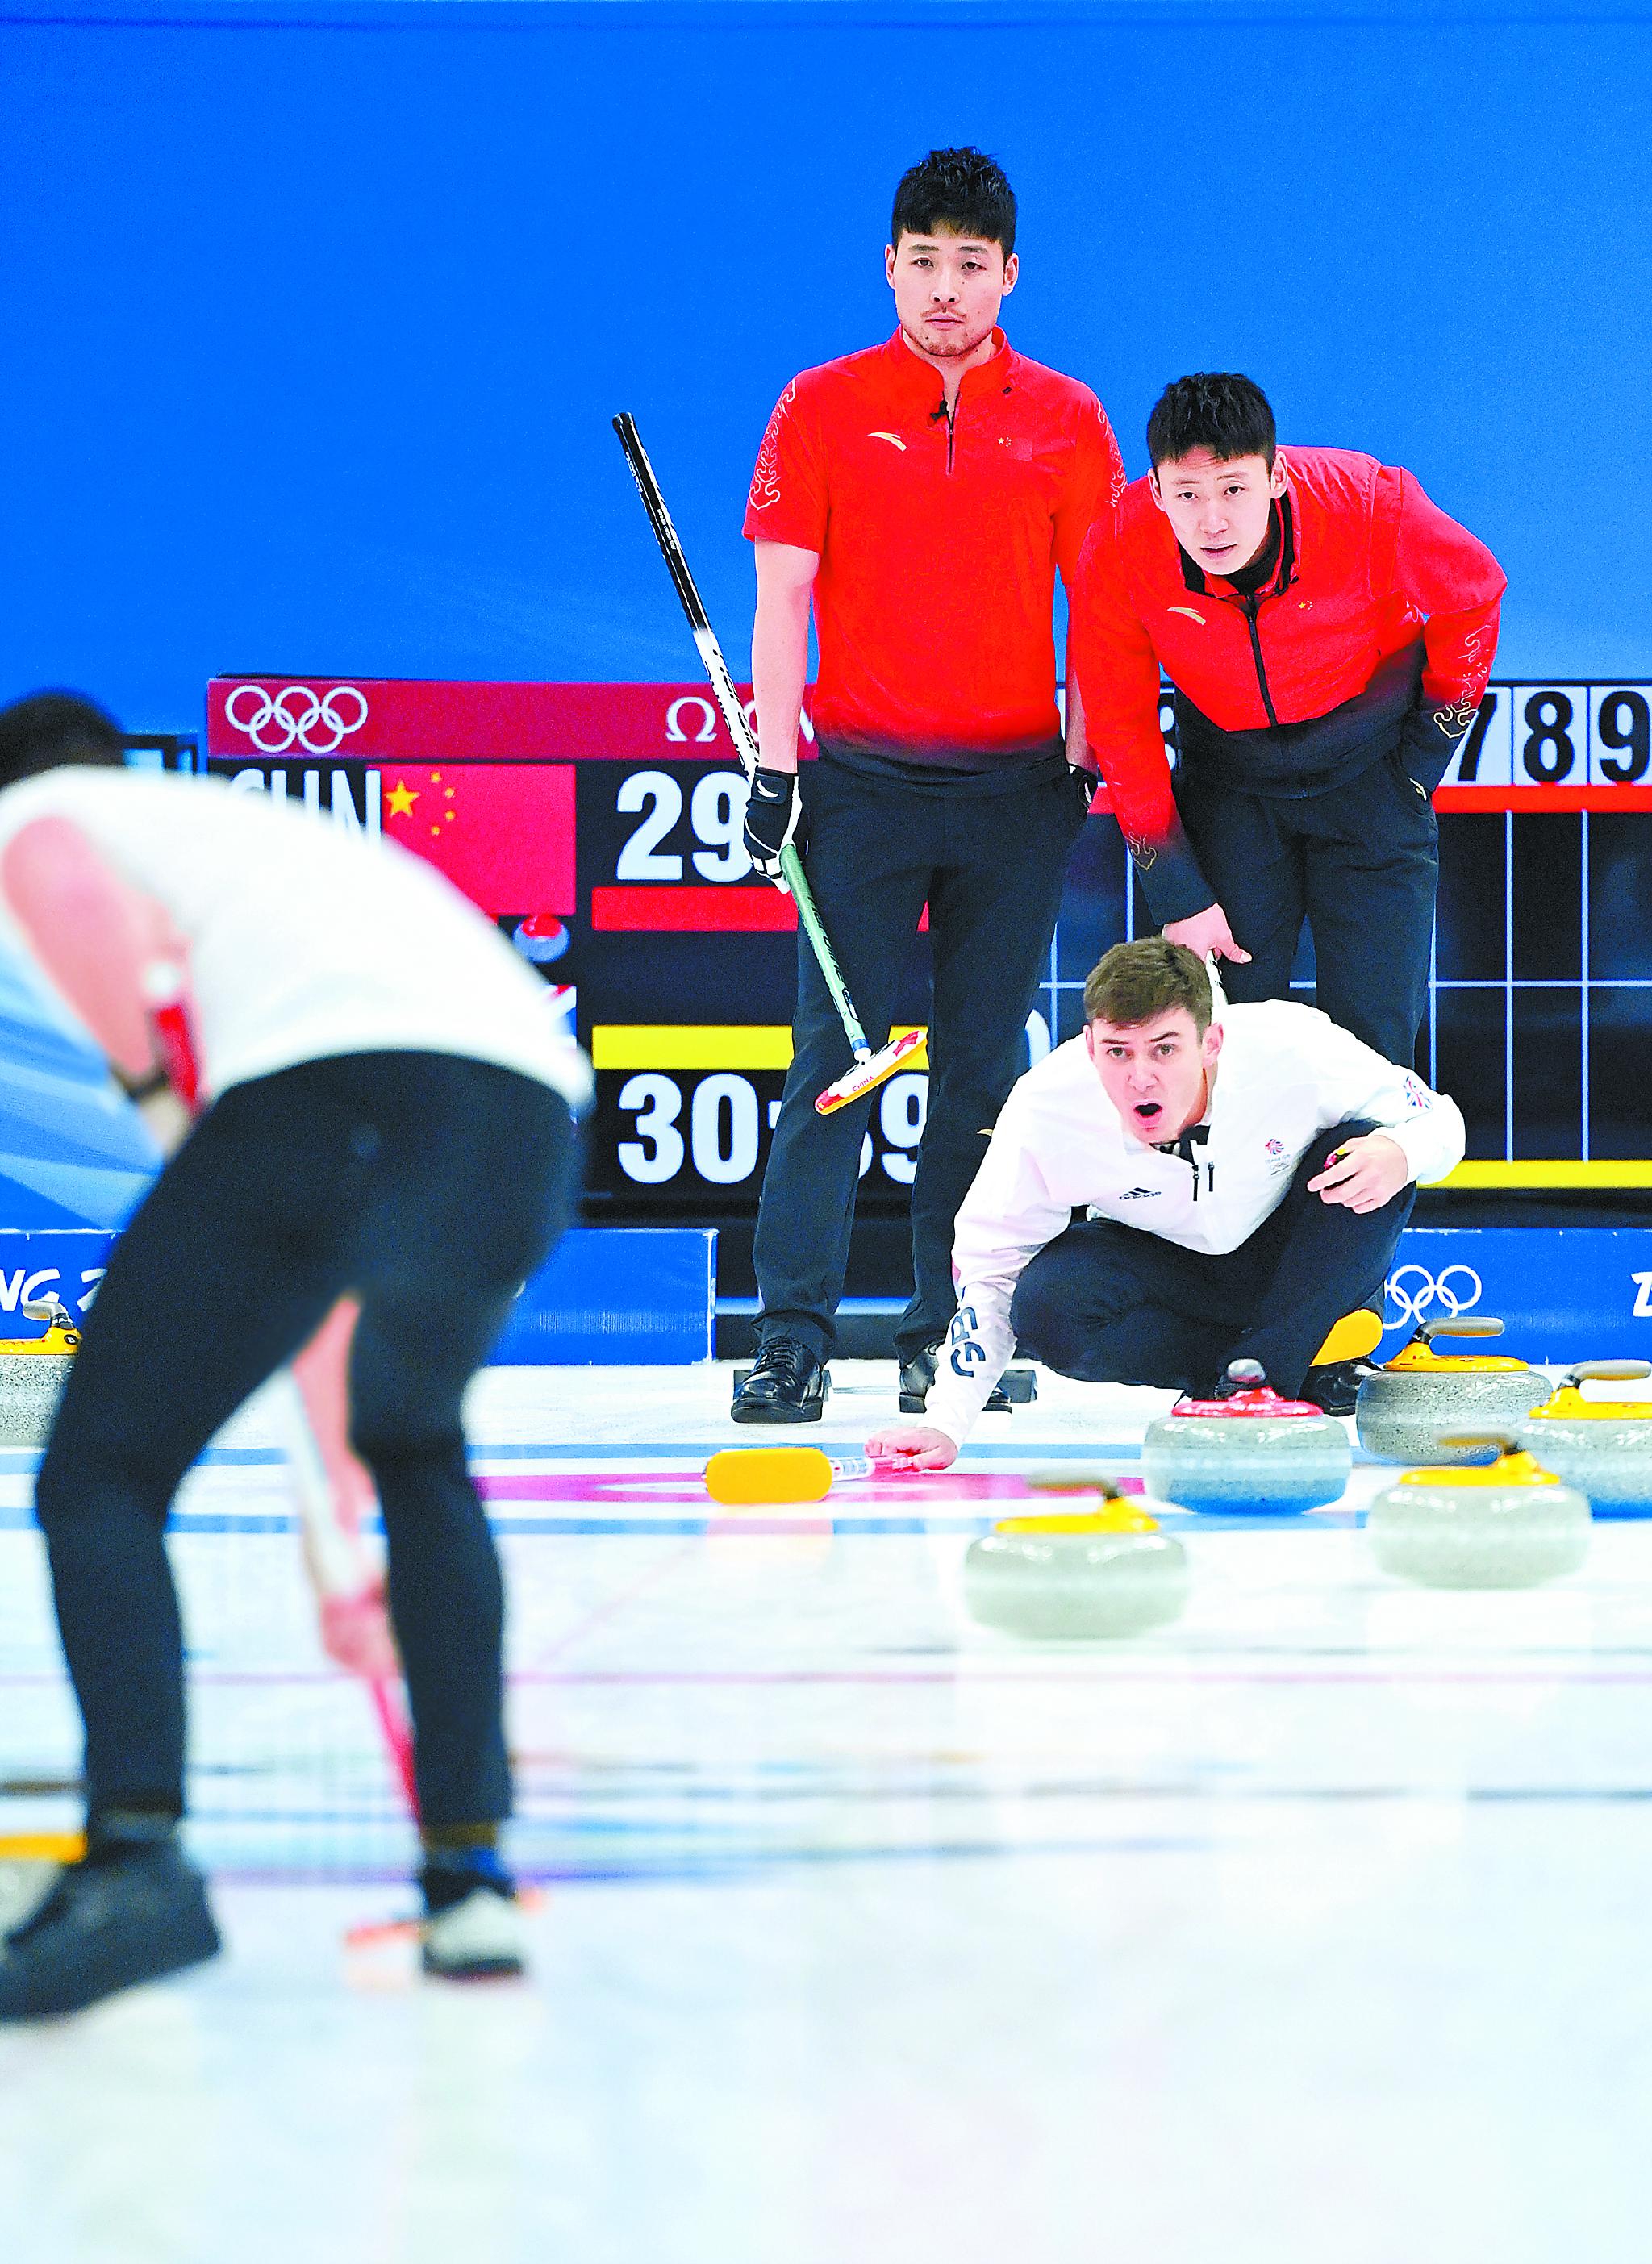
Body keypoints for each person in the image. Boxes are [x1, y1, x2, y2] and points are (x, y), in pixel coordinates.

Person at [0, 692, 590, 2022]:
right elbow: (324, 1300)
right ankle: (466, 1880)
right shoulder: (261, 847)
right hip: (521, 1118)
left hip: (335, 1097)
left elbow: (52, 877)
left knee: (99, 1476)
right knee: (416, 1444)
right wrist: (341, 1540)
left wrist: (154, 1096)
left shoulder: (49, 811)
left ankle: (136, 1863)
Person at [732, 145, 1124, 1424]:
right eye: (922, 262)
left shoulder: (1066, 418)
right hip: (860, 788)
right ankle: (788, 1337)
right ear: (887, 266)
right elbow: (781, 600)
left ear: (1011, 273)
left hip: (1016, 794)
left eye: (970, 264)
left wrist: (1089, 731)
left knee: (976, 1080)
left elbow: (1105, 603)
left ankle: (948, 1333)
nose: (945, 288)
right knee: (835, 1067)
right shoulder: (821, 404)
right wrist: (775, 766)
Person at [867, 939, 1465, 1470]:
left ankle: (1269, 1372)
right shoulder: (1047, 1107)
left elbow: (1440, 1119)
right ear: (1089, 1046)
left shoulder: (1293, 1046)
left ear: (1212, 1042)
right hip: (1170, 1269)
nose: (1141, 1077)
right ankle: (1241, 1377)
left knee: (1366, 1153)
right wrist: (946, 1423)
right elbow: (990, 1268)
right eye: (1118, 1052)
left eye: (1164, 1049)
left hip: (1295, 1256)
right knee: (1047, 1305)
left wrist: (1404, 1150)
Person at [1071, 373, 1506, 1066]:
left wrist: (1424, 760)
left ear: (1277, 478)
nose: (1212, 521)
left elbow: (1476, 592)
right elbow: (1120, 723)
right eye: (1186, 494)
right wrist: (1176, 889)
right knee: (1221, 1045)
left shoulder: (1368, 501)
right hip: (1231, 791)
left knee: (1374, 1057)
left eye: (1235, 489)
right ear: (1156, 492)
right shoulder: (1120, 545)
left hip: (1373, 783)